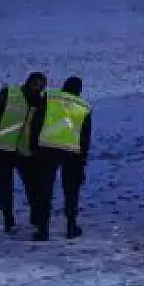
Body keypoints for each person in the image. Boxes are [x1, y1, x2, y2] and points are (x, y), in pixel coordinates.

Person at [31, 75, 93, 241]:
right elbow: (85, 137)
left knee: (44, 191)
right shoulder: (83, 106)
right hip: (73, 151)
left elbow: (36, 122)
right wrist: (83, 161)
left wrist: (34, 146)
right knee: (71, 191)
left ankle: (43, 229)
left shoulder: (50, 98)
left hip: (47, 148)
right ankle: (71, 226)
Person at [0, 72, 47, 234]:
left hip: (23, 150)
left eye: (41, 86)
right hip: (1, 148)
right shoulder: (10, 94)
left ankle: (35, 216)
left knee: (33, 185)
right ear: (28, 83)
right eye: (36, 84)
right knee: (5, 186)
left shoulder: (40, 101)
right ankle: (8, 219)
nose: (38, 88)